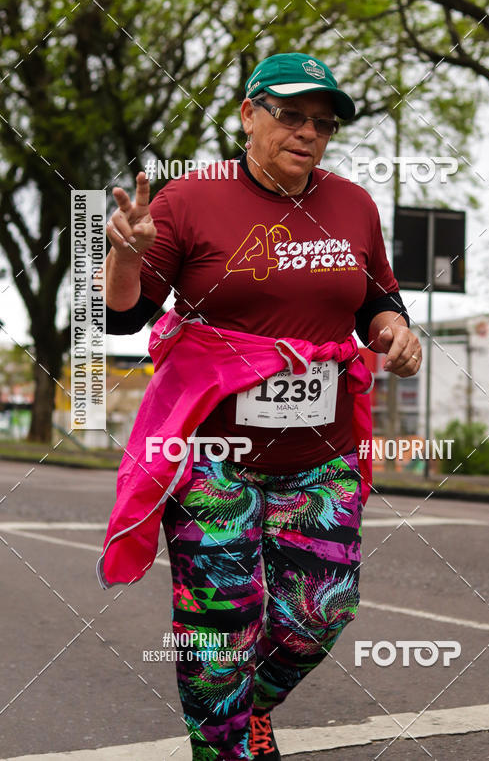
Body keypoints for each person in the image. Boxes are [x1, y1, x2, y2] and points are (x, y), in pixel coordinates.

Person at [101, 52, 421, 760]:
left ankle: (249, 708)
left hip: (321, 456)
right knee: (222, 624)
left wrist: (395, 331)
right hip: (215, 458)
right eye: (291, 115)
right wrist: (125, 253)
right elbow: (122, 317)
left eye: (324, 123)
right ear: (249, 114)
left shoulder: (352, 204)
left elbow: (377, 300)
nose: (309, 133)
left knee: (321, 613)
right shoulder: (190, 200)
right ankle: (224, 746)